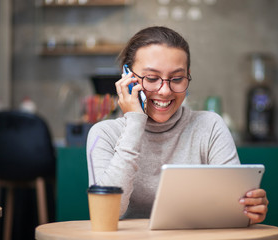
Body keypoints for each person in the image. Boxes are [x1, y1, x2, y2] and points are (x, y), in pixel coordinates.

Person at [87, 26, 268, 224]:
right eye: (152, 78)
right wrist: (135, 123)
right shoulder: (104, 134)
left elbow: (233, 213)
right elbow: (108, 214)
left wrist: (248, 210)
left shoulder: (210, 126)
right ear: (127, 77)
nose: (165, 91)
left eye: (177, 78)